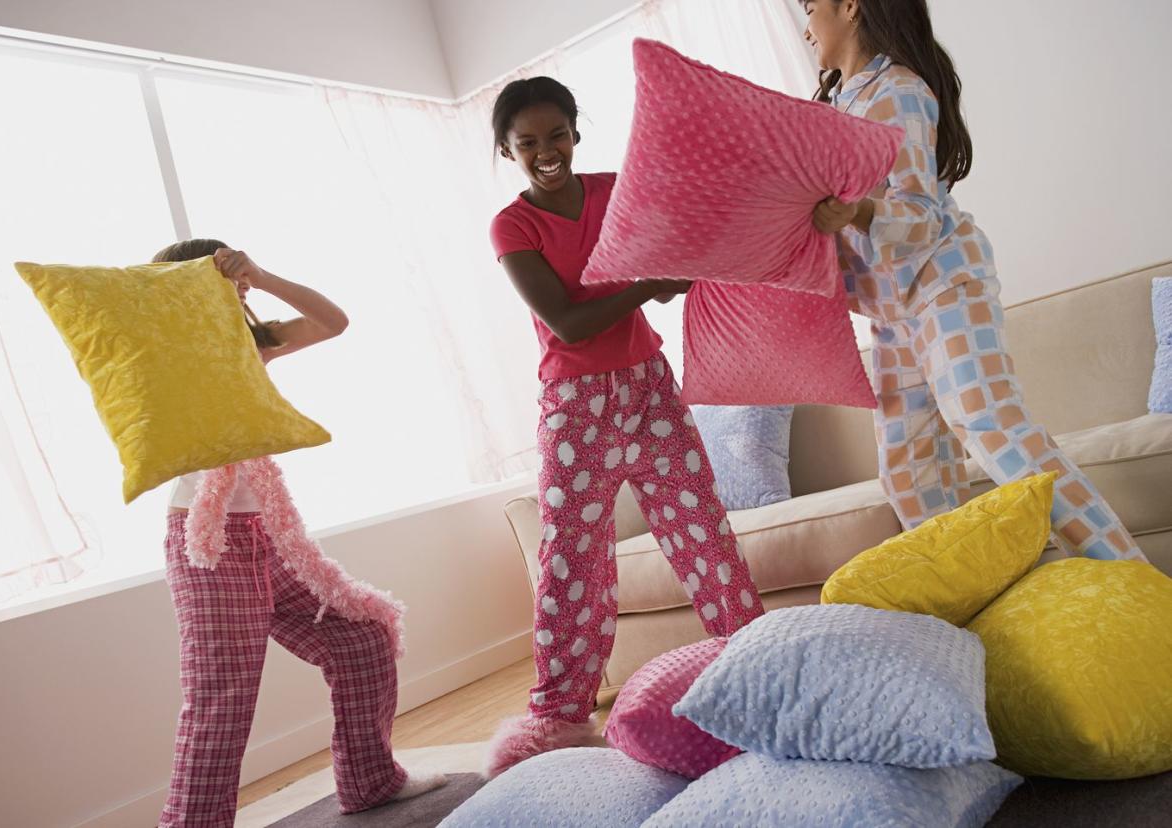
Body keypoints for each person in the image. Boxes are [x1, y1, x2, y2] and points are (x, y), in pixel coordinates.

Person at [483, 78, 766, 778]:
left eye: (556, 136)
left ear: (576, 132)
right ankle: (555, 720)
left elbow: (687, 247)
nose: (546, 152)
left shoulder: (618, 189)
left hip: (648, 385)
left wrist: (686, 267)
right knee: (572, 563)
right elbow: (568, 322)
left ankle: (760, 668)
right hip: (576, 407)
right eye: (527, 144)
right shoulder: (513, 225)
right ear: (507, 151)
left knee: (704, 532)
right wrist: (647, 284)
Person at [801, 0, 1144, 560]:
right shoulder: (833, 108)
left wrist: (858, 212)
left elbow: (921, 215)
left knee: (993, 428)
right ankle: (995, 606)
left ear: (850, 7)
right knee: (908, 475)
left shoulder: (899, 91)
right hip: (892, 316)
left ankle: (1133, 582)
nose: (806, 25)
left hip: (942, 285)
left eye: (811, 7)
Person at [152, 240, 446, 826]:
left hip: (269, 537)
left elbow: (332, 321)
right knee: (222, 699)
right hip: (207, 543)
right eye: (216, 279)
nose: (232, 287)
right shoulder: (167, 356)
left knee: (363, 638)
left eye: (233, 277)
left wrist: (259, 275)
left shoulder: (255, 345)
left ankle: (370, 781)